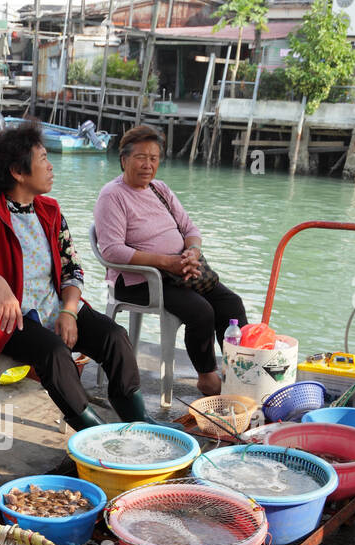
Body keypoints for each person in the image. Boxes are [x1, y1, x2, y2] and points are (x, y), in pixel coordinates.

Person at [0, 120, 151, 431]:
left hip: (55, 308)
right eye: (43, 159)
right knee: (56, 354)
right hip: (12, 320)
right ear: (18, 173)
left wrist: (69, 311)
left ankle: (138, 420)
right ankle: (95, 433)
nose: (50, 167)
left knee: (115, 338)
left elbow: (72, 267)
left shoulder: (50, 210)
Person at [93, 124, 246, 398]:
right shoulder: (112, 196)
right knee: (201, 311)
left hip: (180, 270)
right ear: (124, 159)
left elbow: (191, 230)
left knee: (231, 303)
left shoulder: (159, 189)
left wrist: (192, 254)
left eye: (154, 158)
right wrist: (165, 262)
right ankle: (207, 377)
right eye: (140, 157)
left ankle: (240, 373)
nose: (148, 165)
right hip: (138, 281)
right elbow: (112, 251)